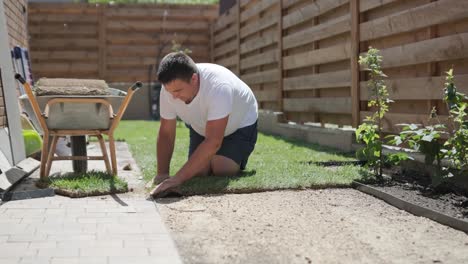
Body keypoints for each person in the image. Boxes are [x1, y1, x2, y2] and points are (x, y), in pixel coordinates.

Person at [150, 52, 258, 197]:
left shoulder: (219, 87)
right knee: (199, 172)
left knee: (221, 169)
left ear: (194, 79)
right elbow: (166, 133)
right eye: (170, 91)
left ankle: (239, 157)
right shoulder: (169, 90)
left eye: (178, 91)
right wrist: (162, 174)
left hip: (239, 123)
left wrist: (176, 179)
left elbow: (213, 141)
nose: (173, 97)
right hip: (201, 124)